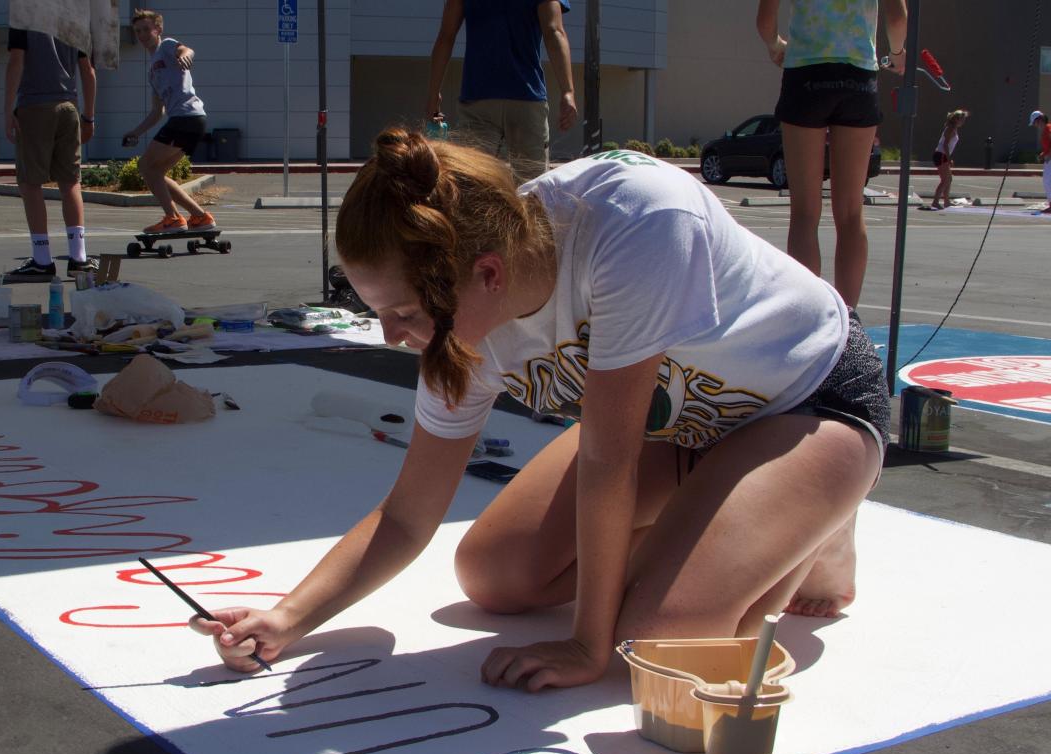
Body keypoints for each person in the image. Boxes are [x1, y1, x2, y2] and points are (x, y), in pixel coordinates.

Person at [191, 129, 889, 692]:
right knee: (494, 576)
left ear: (488, 273)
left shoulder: (632, 219)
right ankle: (732, 510)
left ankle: (818, 522)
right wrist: (286, 618)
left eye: (403, 312)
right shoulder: (460, 328)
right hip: (683, 426)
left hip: (807, 400)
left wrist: (589, 646)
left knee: (658, 643)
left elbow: (608, 460)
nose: (390, 335)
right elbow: (407, 514)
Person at [756, 0, 907, 310]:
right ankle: (848, 324)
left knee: (805, 213)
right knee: (851, 213)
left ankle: (808, 321)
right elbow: (897, 16)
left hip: (805, 74)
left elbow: (765, 19)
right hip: (858, 76)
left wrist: (775, 44)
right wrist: (897, 54)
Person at [425, 0, 578, 182]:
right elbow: (554, 32)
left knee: (474, 187)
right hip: (526, 98)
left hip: (478, 98)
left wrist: (434, 93)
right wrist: (567, 92)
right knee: (532, 190)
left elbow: (446, 37)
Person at [4, 27, 97, 281]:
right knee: (70, 182)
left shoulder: (24, 17)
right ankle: (79, 258)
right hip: (68, 106)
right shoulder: (72, 18)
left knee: (30, 183)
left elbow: (16, 62)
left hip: (34, 105)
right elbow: (87, 70)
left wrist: (7, 110)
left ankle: (42, 258)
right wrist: (88, 116)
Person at [122, 9, 215, 234]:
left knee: (145, 166)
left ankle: (173, 218)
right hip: (187, 121)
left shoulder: (165, 47)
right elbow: (157, 111)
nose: (142, 35)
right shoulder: (151, 70)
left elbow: (186, 49)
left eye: (147, 29)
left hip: (187, 118)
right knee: (156, 172)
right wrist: (136, 131)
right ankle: (200, 217)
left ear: (158, 30)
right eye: (138, 31)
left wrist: (185, 55)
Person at [930, 108, 968, 209]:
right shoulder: (950, 128)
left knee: (949, 179)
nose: (963, 122)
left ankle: (946, 202)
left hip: (942, 155)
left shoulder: (953, 128)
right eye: (962, 119)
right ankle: (935, 202)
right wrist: (949, 157)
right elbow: (946, 144)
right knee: (945, 180)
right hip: (941, 155)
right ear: (957, 119)